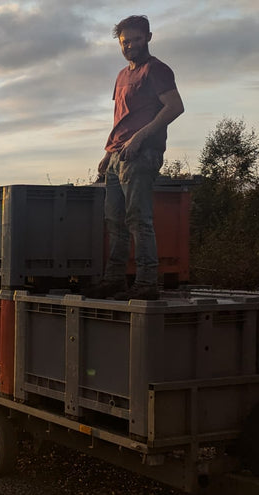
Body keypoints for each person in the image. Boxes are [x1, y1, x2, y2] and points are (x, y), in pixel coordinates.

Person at [89, 15, 184, 300]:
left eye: (136, 40)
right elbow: (122, 118)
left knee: (138, 220)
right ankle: (114, 280)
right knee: (114, 222)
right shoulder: (121, 75)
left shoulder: (156, 70)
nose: (130, 46)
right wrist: (108, 152)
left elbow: (175, 107)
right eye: (125, 41)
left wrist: (139, 138)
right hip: (117, 155)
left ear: (149, 38)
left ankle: (146, 284)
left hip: (142, 153)